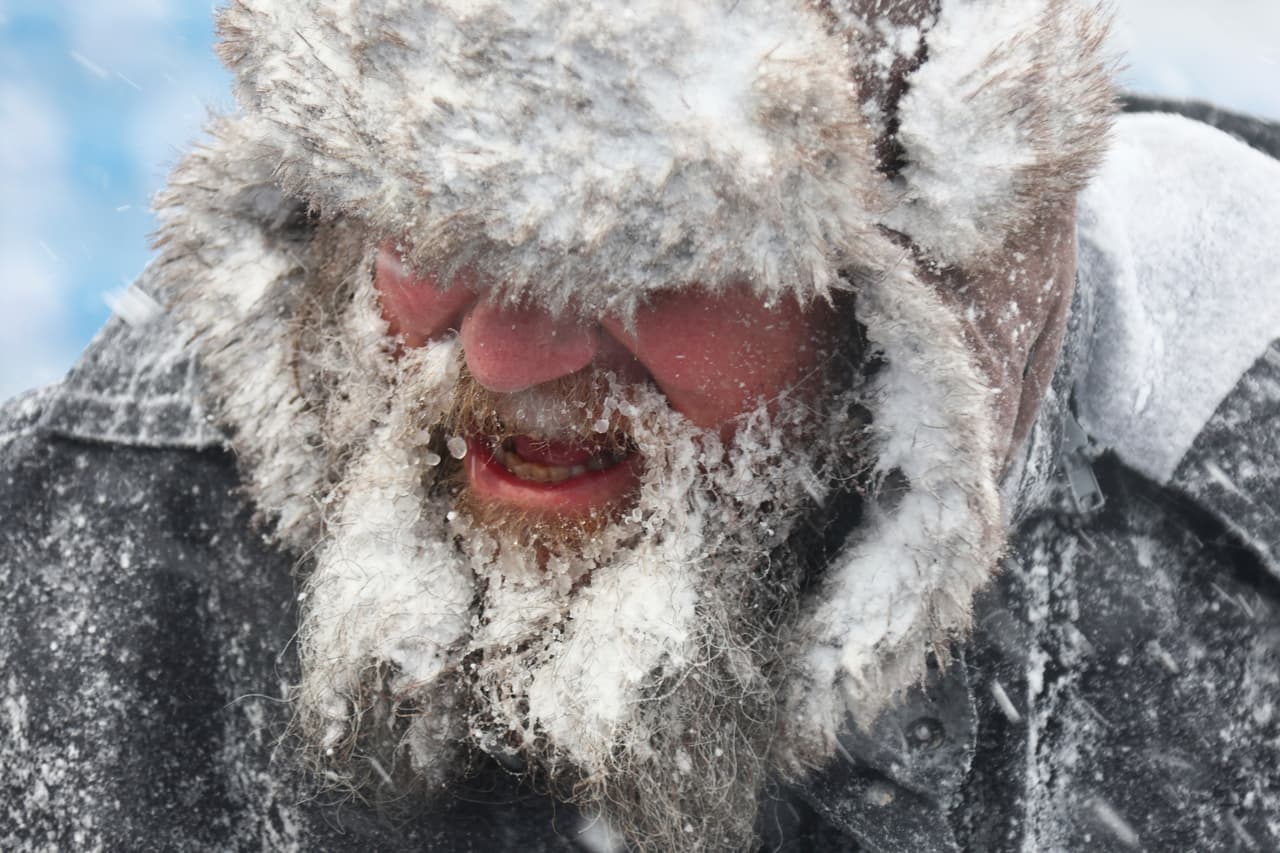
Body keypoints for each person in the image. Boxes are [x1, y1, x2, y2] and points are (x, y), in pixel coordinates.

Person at [3, 1, 1279, 850]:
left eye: (651, 262)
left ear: (913, 289)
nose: (505, 354)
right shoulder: (60, 582)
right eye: (430, 231)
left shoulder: (1225, 576)